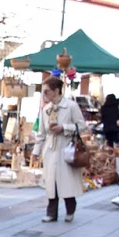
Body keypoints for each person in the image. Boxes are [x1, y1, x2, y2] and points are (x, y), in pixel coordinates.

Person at [34, 77, 86, 223]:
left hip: (66, 148)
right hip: (50, 149)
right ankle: (51, 212)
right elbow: (41, 132)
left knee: (66, 182)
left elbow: (82, 126)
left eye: (47, 91)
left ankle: (70, 209)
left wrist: (64, 128)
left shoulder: (71, 106)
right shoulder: (46, 109)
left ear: (57, 91)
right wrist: (36, 152)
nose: (45, 95)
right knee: (51, 183)